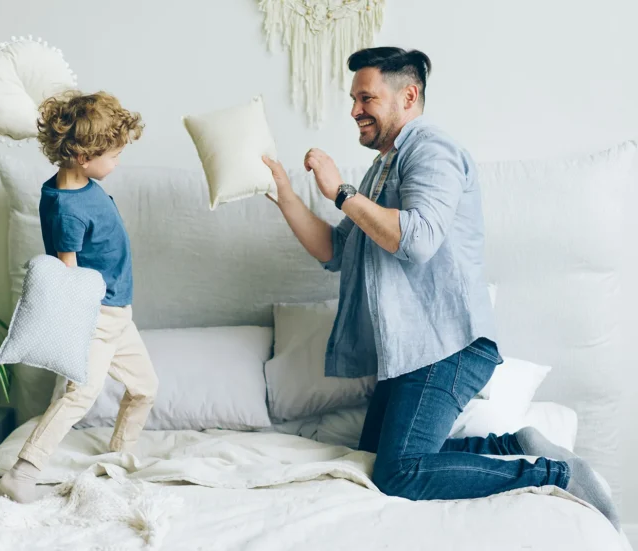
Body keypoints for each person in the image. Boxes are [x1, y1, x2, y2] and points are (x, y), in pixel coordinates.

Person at [262, 47, 619, 530]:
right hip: (408, 352)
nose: (353, 110)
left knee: (396, 473)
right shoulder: (382, 167)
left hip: (445, 346)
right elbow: (335, 252)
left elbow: (418, 239)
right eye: (353, 99)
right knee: (373, 458)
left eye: (365, 97)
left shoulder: (433, 150)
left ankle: (555, 474)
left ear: (407, 96)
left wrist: (341, 192)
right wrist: (285, 194)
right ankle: (509, 448)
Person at [0, 91, 159, 503]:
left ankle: (119, 457)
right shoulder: (65, 208)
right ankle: (24, 469)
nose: (118, 161)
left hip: (119, 311)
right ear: (85, 155)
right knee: (80, 396)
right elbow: (65, 276)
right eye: (114, 154)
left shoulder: (81, 184)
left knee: (145, 387)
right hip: (97, 316)